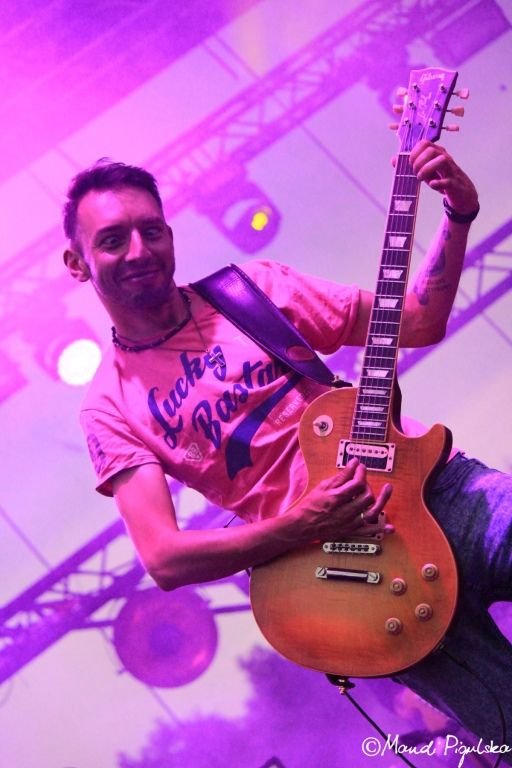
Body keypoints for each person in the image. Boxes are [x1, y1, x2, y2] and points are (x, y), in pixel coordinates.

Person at [63, 141, 512, 758]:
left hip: (440, 493)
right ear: (77, 263)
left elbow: (417, 320)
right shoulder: (109, 405)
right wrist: (302, 524)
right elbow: (164, 558)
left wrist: (459, 213)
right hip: (355, 582)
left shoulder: (253, 291)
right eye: (114, 240)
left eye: (152, 230)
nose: (139, 250)